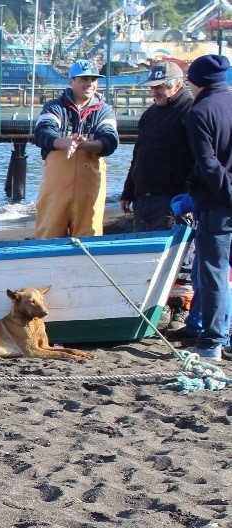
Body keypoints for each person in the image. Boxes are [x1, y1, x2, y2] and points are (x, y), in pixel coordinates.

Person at [180, 54, 232, 361]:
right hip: (221, 199)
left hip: (217, 204)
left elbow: (208, 163)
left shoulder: (199, 111)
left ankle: (213, 340)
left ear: (197, 82)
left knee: (213, 272)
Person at [32, 60, 121, 239]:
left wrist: (83, 144)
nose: (89, 84)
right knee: (48, 235)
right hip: (56, 190)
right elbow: (42, 132)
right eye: (84, 79)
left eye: (93, 80)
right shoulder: (54, 107)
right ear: (71, 82)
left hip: (89, 190)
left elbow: (110, 139)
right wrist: (63, 143)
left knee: (90, 236)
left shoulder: (105, 111)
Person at [120, 62, 196, 232]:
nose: (155, 91)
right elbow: (138, 156)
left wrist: (190, 198)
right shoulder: (149, 114)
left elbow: (198, 159)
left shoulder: (190, 111)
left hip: (173, 199)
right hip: (144, 198)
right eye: (152, 87)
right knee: (143, 255)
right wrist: (128, 191)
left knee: (174, 254)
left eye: (160, 86)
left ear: (178, 84)